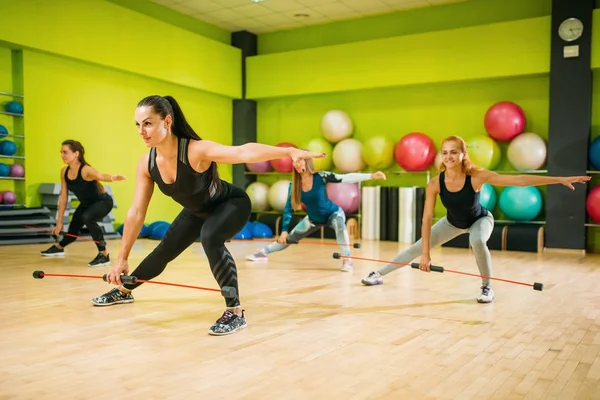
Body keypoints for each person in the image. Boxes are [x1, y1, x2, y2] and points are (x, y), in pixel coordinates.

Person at [91, 95, 325, 336]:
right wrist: (121, 260)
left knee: (210, 237)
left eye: (148, 123)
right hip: (197, 211)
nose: (142, 131)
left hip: (231, 204)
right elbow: (137, 211)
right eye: (138, 125)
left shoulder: (194, 150)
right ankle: (126, 288)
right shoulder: (147, 163)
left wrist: (290, 152)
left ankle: (235, 312)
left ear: (167, 121)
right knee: (164, 250)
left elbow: (244, 152)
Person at [361, 135, 591, 303]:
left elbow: (519, 181)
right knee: (417, 247)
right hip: (452, 223)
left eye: (454, 151)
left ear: (463, 154)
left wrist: (559, 179)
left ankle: (487, 287)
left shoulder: (476, 176)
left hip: (480, 220)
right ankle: (379, 274)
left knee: (478, 241)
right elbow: (427, 217)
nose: (449, 156)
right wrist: (426, 254)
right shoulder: (435, 183)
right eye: (445, 152)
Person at [246, 159, 386, 271]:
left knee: (340, 226)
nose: (296, 163)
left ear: (307, 162)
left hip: (333, 213)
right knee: (290, 238)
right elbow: (288, 209)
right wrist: (283, 231)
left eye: (299, 160)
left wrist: (371, 175)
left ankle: (347, 260)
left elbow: (345, 178)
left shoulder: (321, 176)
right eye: (295, 161)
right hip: (313, 219)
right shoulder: (294, 185)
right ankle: (263, 253)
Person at [40, 140, 126, 267]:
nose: (62, 155)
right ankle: (59, 247)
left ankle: (104, 255)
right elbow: (63, 197)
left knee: (87, 217)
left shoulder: (85, 170)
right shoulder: (64, 172)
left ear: (76, 154)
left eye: (65, 152)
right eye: (61, 152)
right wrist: (59, 223)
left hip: (103, 202)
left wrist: (113, 178)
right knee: (73, 229)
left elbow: (101, 176)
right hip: (87, 205)